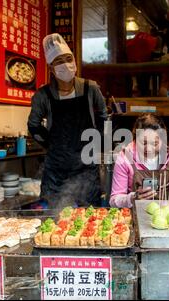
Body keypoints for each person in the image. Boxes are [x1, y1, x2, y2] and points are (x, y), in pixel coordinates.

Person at [27, 33, 107, 209]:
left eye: (68, 59)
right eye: (59, 61)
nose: (65, 64)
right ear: (51, 69)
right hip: (56, 172)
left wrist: (97, 141)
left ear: (74, 61)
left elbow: (103, 117)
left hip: (86, 168)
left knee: (89, 218)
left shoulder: (90, 88)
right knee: (52, 219)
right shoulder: (43, 95)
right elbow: (33, 126)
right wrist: (51, 144)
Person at [110, 114, 169, 208]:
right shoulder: (125, 158)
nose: (149, 149)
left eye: (155, 143)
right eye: (144, 143)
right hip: (134, 216)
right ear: (134, 139)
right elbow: (114, 201)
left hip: (164, 218)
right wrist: (132, 198)